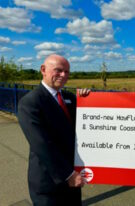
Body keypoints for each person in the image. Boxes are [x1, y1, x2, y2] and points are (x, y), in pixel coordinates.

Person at [18, 54, 90, 205]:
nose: (63, 75)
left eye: (67, 72)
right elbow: (41, 143)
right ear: (43, 70)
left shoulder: (70, 97)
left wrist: (88, 100)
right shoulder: (31, 102)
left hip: (73, 176)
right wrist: (68, 174)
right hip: (49, 181)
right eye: (58, 70)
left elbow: (87, 125)